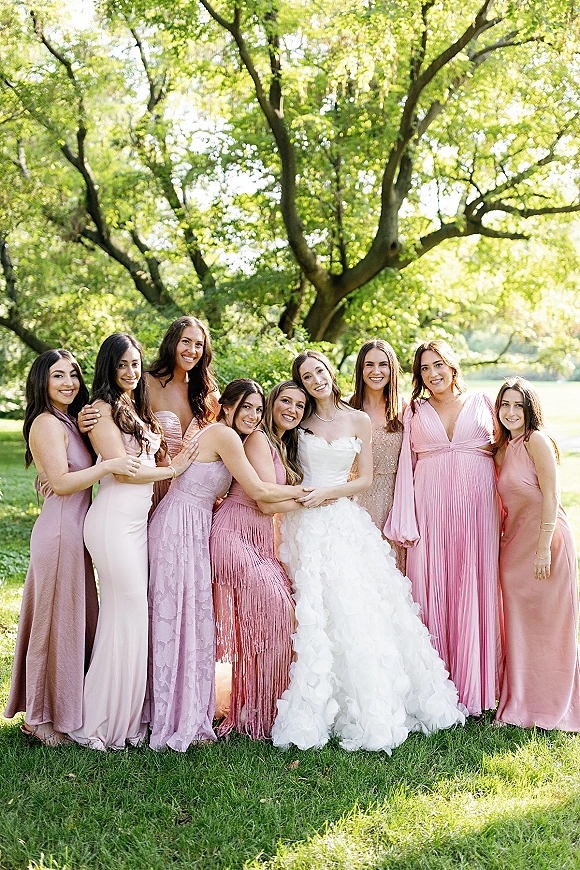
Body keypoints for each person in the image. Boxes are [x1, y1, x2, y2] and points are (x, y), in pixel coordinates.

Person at [270, 350, 465, 753]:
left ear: (330, 372)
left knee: (356, 605)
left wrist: (328, 493)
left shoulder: (357, 419)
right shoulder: (298, 420)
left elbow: (365, 480)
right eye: (306, 377)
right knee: (313, 607)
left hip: (342, 517)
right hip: (303, 521)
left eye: (319, 371)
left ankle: (371, 699)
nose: (315, 380)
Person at [146, 379, 306, 752]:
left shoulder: (230, 436)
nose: (253, 415)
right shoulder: (225, 435)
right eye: (245, 407)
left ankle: (193, 707)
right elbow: (259, 492)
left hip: (197, 523)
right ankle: (172, 713)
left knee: (190, 621)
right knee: (176, 619)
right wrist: (316, 494)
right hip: (179, 526)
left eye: (258, 409)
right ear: (228, 407)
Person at [4, 349, 139, 747]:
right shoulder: (46, 422)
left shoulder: (68, 420)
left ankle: (66, 708)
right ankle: (40, 720)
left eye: (74, 375)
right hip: (60, 533)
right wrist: (109, 465)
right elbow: (62, 483)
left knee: (71, 623)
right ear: (42, 382)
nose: (69, 383)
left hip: (76, 534)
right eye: (58, 376)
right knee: (52, 626)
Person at [69, 334, 197, 751]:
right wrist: (173, 469)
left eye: (135, 364)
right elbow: (123, 471)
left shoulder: (133, 406)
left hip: (136, 524)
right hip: (112, 522)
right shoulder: (102, 409)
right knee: (126, 616)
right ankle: (97, 722)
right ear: (108, 367)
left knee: (129, 616)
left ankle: (126, 720)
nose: (130, 371)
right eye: (122, 364)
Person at [385, 339, 501, 716]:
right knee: (429, 587)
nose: (432, 373)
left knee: (473, 586)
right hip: (430, 510)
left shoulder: (484, 403)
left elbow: (507, 453)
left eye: (438, 365)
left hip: (477, 512)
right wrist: (406, 518)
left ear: (452, 366)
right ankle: (433, 691)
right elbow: (405, 465)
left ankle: (474, 689)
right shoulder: (413, 411)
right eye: (424, 368)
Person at [211, 380, 307, 740]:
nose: (292, 410)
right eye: (286, 401)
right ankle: (254, 714)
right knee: (276, 614)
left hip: (261, 539)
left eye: (299, 405)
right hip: (233, 533)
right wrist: (313, 497)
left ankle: (263, 707)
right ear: (272, 403)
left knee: (278, 619)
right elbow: (265, 502)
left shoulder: (282, 444)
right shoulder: (257, 439)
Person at [493, 378, 580, 730]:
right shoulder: (503, 449)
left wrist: (543, 548)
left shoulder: (536, 441)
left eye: (519, 405)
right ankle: (518, 701)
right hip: (514, 547)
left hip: (547, 543)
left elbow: (552, 496)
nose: (511, 412)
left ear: (530, 409)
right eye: (505, 404)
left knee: (550, 626)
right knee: (518, 626)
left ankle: (552, 703)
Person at [78, 316, 219, 510]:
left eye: (199, 345)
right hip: (153, 485)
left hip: (195, 492)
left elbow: (226, 436)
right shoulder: (145, 383)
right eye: (186, 342)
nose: (192, 350)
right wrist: (84, 421)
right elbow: (116, 417)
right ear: (171, 343)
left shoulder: (208, 392)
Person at [349, 339, 406, 572]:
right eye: (369, 365)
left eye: (383, 364)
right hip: (355, 502)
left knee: (392, 572)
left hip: (394, 503)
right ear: (360, 369)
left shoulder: (404, 409)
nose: (376, 371)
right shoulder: (346, 408)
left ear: (392, 369)